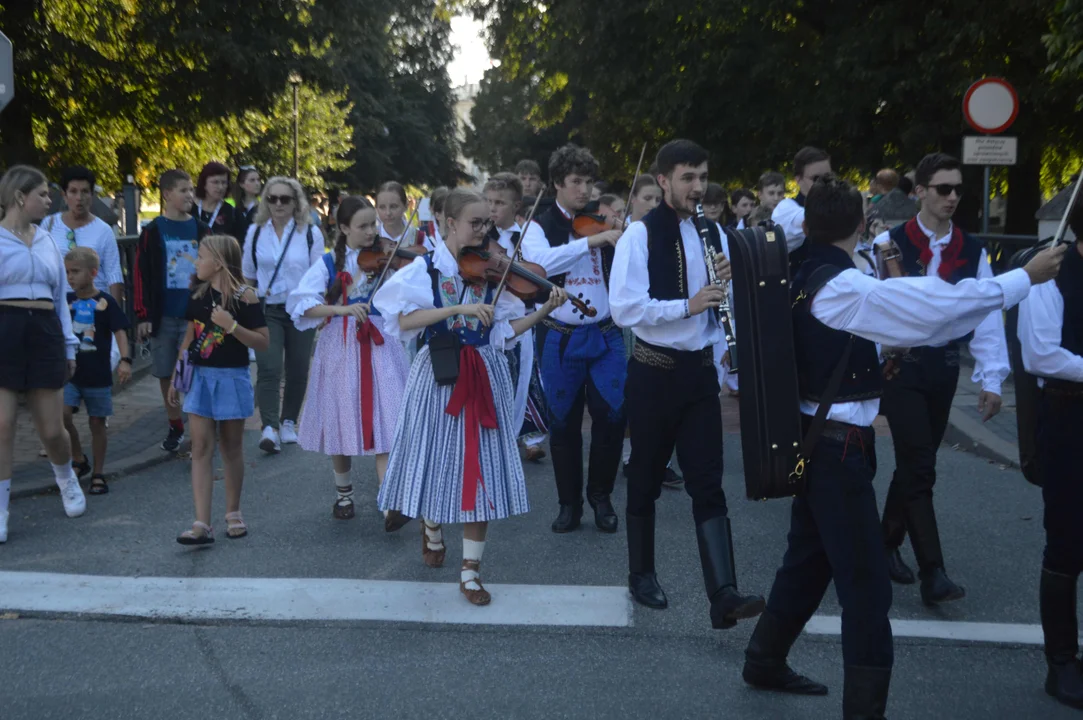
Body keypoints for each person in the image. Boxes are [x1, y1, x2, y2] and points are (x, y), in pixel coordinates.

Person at [740, 175, 1064, 719]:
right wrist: (1020, 279)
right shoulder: (843, 285)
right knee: (867, 589)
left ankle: (764, 658)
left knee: (807, 562)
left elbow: (899, 322)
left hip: (819, 439)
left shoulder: (803, 270)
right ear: (858, 222)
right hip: (837, 448)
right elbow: (934, 307)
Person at [373, 188, 568, 605]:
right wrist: (455, 311)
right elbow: (401, 317)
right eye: (475, 224)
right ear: (449, 224)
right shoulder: (423, 269)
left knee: (482, 469)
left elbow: (504, 333)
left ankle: (471, 573)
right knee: (437, 459)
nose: (484, 232)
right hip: (439, 374)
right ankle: (430, 524)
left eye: (487, 224)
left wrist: (544, 311)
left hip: (486, 372)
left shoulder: (491, 274)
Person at [611, 139, 765, 630]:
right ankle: (641, 573)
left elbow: (722, 300)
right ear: (663, 181)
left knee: (708, 483)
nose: (698, 188)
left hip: (699, 374)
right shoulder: (637, 236)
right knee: (645, 481)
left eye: (702, 177)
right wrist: (688, 305)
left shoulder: (712, 231)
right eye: (687, 178)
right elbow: (625, 309)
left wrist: (726, 295)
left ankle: (723, 594)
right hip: (653, 372)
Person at [873, 153, 1010, 605]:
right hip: (901, 366)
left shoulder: (971, 249)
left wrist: (991, 378)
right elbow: (876, 308)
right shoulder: (889, 243)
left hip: (944, 366)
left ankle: (885, 542)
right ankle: (934, 570)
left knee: (917, 462)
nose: (953, 197)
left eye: (958, 190)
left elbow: (986, 312)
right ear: (920, 192)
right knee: (920, 465)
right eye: (943, 189)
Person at [287, 196, 411, 527]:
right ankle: (344, 493)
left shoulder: (388, 258)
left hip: (381, 343)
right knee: (340, 417)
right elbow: (301, 304)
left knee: (388, 415)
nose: (372, 231)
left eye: (374, 224)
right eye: (364, 226)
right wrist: (341, 309)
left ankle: (389, 500)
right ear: (343, 228)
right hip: (341, 347)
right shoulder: (329, 263)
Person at [522, 144, 626, 535]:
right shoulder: (538, 225)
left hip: (606, 333)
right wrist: (595, 241)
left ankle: (601, 497)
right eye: (576, 182)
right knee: (562, 424)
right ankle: (570, 504)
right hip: (560, 336)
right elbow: (541, 265)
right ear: (557, 184)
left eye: (589, 182)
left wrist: (623, 234)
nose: (584, 190)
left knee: (612, 418)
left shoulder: (604, 218)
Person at [1017, 193, 1083, 710]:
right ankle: (1061, 661)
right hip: (1070, 421)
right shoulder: (1051, 274)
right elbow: (1041, 354)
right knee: (1068, 541)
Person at [0, 165, 86, 543]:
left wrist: (70, 345)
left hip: (46, 329)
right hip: (5, 329)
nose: (50, 202)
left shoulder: (49, 239)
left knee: (52, 429)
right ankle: (1, 510)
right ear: (21, 197)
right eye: (44, 195)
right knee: (2, 425)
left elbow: (61, 299)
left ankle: (66, 477)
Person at [169, 235, 268, 544]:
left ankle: (233, 512)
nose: (195, 262)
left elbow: (263, 342)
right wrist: (178, 373)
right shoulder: (197, 294)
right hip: (200, 377)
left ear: (219, 263)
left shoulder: (245, 297)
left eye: (201, 256)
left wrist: (232, 326)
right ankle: (201, 523)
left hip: (232, 377)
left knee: (231, 446)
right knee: (199, 446)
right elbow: (189, 337)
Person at [242, 177, 324, 454]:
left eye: (285, 199)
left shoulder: (310, 233)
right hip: (269, 309)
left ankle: (288, 421)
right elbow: (248, 275)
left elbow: (318, 275)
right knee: (269, 367)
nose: (278, 204)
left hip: (301, 308)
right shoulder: (255, 232)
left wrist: (320, 308)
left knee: (298, 368)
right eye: (272, 198)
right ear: (265, 201)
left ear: (295, 202)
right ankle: (269, 427)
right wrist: (248, 306)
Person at [134, 169, 211, 453]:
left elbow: (214, 269)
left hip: (194, 317)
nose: (189, 195)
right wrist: (142, 315)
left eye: (191, 190)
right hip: (163, 315)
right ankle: (175, 423)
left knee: (194, 372)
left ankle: (198, 432)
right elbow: (141, 274)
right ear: (167, 194)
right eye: (183, 190)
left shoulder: (202, 230)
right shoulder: (153, 231)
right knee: (166, 371)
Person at [485, 172, 549, 463]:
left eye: (499, 203)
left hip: (521, 323)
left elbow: (542, 267)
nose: (492, 208)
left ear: (516, 207)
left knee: (521, 383)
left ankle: (511, 444)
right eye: (488, 201)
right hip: (489, 323)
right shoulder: (480, 238)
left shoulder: (526, 237)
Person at [62, 248, 131, 494]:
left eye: (75, 272)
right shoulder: (65, 300)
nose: (70, 277)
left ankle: (98, 472)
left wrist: (125, 360)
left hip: (98, 373)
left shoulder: (107, 301)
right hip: (70, 373)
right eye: (67, 272)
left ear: (92, 273)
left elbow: (120, 332)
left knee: (97, 422)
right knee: (62, 415)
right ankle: (78, 457)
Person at [43, 166, 124, 302]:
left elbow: (113, 273)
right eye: (73, 192)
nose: (79, 198)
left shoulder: (103, 230)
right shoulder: (49, 225)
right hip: (58, 304)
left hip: (95, 305)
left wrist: (114, 314)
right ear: (64, 195)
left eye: (85, 192)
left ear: (92, 195)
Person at [772, 147, 832, 254]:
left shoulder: (836, 204)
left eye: (828, 178)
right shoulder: (786, 207)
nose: (823, 183)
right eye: (816, 179)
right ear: (798, 180)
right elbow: (807, 218)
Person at [194, 162, 237, 239]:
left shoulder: (232, 213)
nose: (220, 187)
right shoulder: (189, 208)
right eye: (215, 182)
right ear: (204, 183)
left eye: (224, 183)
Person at [232, 166, 262, 241]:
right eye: (252, 180)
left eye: (258, 180)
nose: (257, 183)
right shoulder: (233, 207)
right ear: (242, 184)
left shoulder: (264, 207)